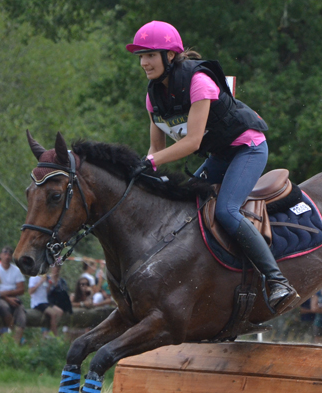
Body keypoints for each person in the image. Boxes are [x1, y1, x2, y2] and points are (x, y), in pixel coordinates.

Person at [126, 20, 297, 313]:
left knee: (226, 211)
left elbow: (192, 142)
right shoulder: (152, 95)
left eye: (150, 55)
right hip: (220, 154)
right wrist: (145, 176)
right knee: (187, 205)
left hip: (248, 148)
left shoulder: (198, 81)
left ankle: (276, 280)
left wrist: (152, 161)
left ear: (170, 56)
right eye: (141, 56)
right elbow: (156, 150)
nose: (143, 62)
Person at [0, 246, 27, 345]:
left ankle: (17, 343)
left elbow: (21, 289)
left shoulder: (16, 270)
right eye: (5, 253)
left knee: (21, 314)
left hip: (12, 297)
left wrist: (7, 294)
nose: (7, 256)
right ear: (0, 255)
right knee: (3, 307)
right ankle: (11, 333)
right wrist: (7, 298)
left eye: (9, 254)